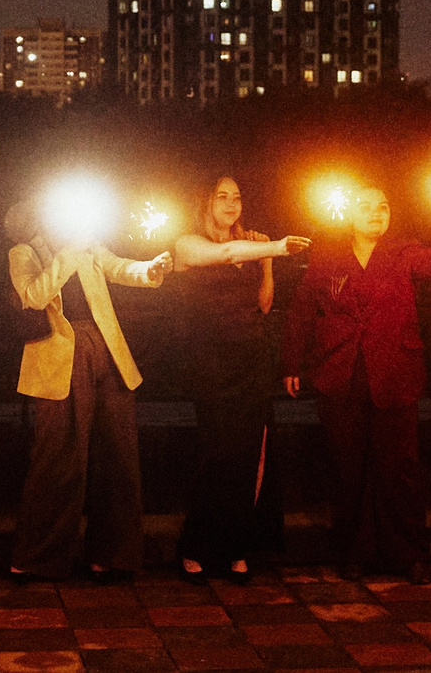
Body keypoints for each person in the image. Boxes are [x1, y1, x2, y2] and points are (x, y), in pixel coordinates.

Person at [282, 182, 431, 580]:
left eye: (383, 206)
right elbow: (301, 310)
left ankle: (408, 553)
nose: (376, 213)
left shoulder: (401, 251)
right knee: (347, 466)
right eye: (365, 206)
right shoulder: (328, 256)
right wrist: (291, 363)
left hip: (394, 372)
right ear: (349, 214)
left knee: (399, 466)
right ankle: (351, 552)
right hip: (341, 373)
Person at [5, 187, 171, 581]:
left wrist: (150, 269)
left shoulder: (89, 244)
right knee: (58, 458)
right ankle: (38, 559)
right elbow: (31, 295)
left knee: (118, 453)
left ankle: (112, 556)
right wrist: (68, 254)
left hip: (106, 348)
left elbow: (118, 267)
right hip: (59, 354)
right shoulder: (24, 252)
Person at [175, 177, 308, 582]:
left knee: (250, 455)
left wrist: (266, 263)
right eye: (222, 196)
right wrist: (278, 247)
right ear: (206, 202)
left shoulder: (252, 246)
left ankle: (237, 546)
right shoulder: (187, 243)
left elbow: (264, 305)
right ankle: (196, 545)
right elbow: (226, 252)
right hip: (212, 361)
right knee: (217, 453)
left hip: (251, 359)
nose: (232, 203)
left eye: (237, 196)